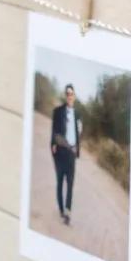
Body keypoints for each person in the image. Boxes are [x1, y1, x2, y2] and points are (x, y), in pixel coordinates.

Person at [50, 83, 81, 225]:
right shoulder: (58, 111)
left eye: (72, 94)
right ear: (65, 95)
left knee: (70, 184)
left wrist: (80, 133)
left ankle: (67, 212)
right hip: (61, 152)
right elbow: (54, 131)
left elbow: (78, 133)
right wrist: (53, 145)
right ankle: (61, 210)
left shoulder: (78, 115)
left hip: (72, 153)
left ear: (74, 96)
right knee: (60, 182)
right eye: (67, 93)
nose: (69, 96)